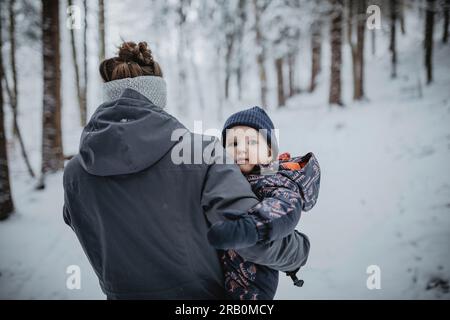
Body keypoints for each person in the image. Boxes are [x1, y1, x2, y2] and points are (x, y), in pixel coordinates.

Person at [63, 41, 310, 299]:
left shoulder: (74, 174)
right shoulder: (202, 153)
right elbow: (250, 240)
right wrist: (300, 251)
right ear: (158, 96)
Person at [207, 107, 320, 300]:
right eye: (233, 143)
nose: (241, 149)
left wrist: (251, 227)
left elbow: (285, 207)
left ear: (269, 153)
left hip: (252, 289)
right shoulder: (224, 177)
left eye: (251, 142)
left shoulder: (275, 180)